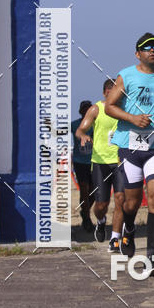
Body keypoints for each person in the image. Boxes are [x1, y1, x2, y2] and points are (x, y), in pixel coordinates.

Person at [105, 32, 154, 271]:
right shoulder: (126, 75)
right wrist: (132, 118)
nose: (153, 50)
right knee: (131, 203)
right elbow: (109, 106)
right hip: (129, 147)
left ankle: (150, 258)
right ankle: (128, 228)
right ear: (138, 53)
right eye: (147, 47)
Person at [75, 79, 125, 253]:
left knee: (121, 199)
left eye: (118, 93)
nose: (115, 96)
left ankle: (115, 238)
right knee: (101, 205)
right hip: (100, 163)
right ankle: (101, 221)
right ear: (105, 93)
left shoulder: (125, 109)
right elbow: (80, 129)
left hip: (120, 161)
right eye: (111, 93)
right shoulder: (96, 109)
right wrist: (83, 136)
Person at [71, 100, 94, 233]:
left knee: (95, 192)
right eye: (84, 109)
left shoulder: (96, 124)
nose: (86, 112)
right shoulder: (75, 125)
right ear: (80, 111)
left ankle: (85, 212)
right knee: (84, 191)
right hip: (80, 162)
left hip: (94, 161)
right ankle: (87, 219)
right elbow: (59, 131)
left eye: (88, 109)